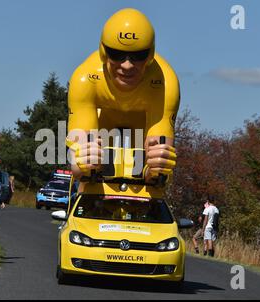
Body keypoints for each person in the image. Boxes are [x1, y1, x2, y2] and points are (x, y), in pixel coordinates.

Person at [66, 8, 180, 184]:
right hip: (103, 125)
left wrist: (155, 170)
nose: (127, 65)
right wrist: (80, 164)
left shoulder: (166, 82)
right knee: (86, 166)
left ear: (150, 55)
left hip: (143, 127)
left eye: (138, 56)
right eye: (117, 55)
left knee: (158, 168)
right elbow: (77, 157)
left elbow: (158, 166)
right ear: (103, 52)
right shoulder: (84, 78)